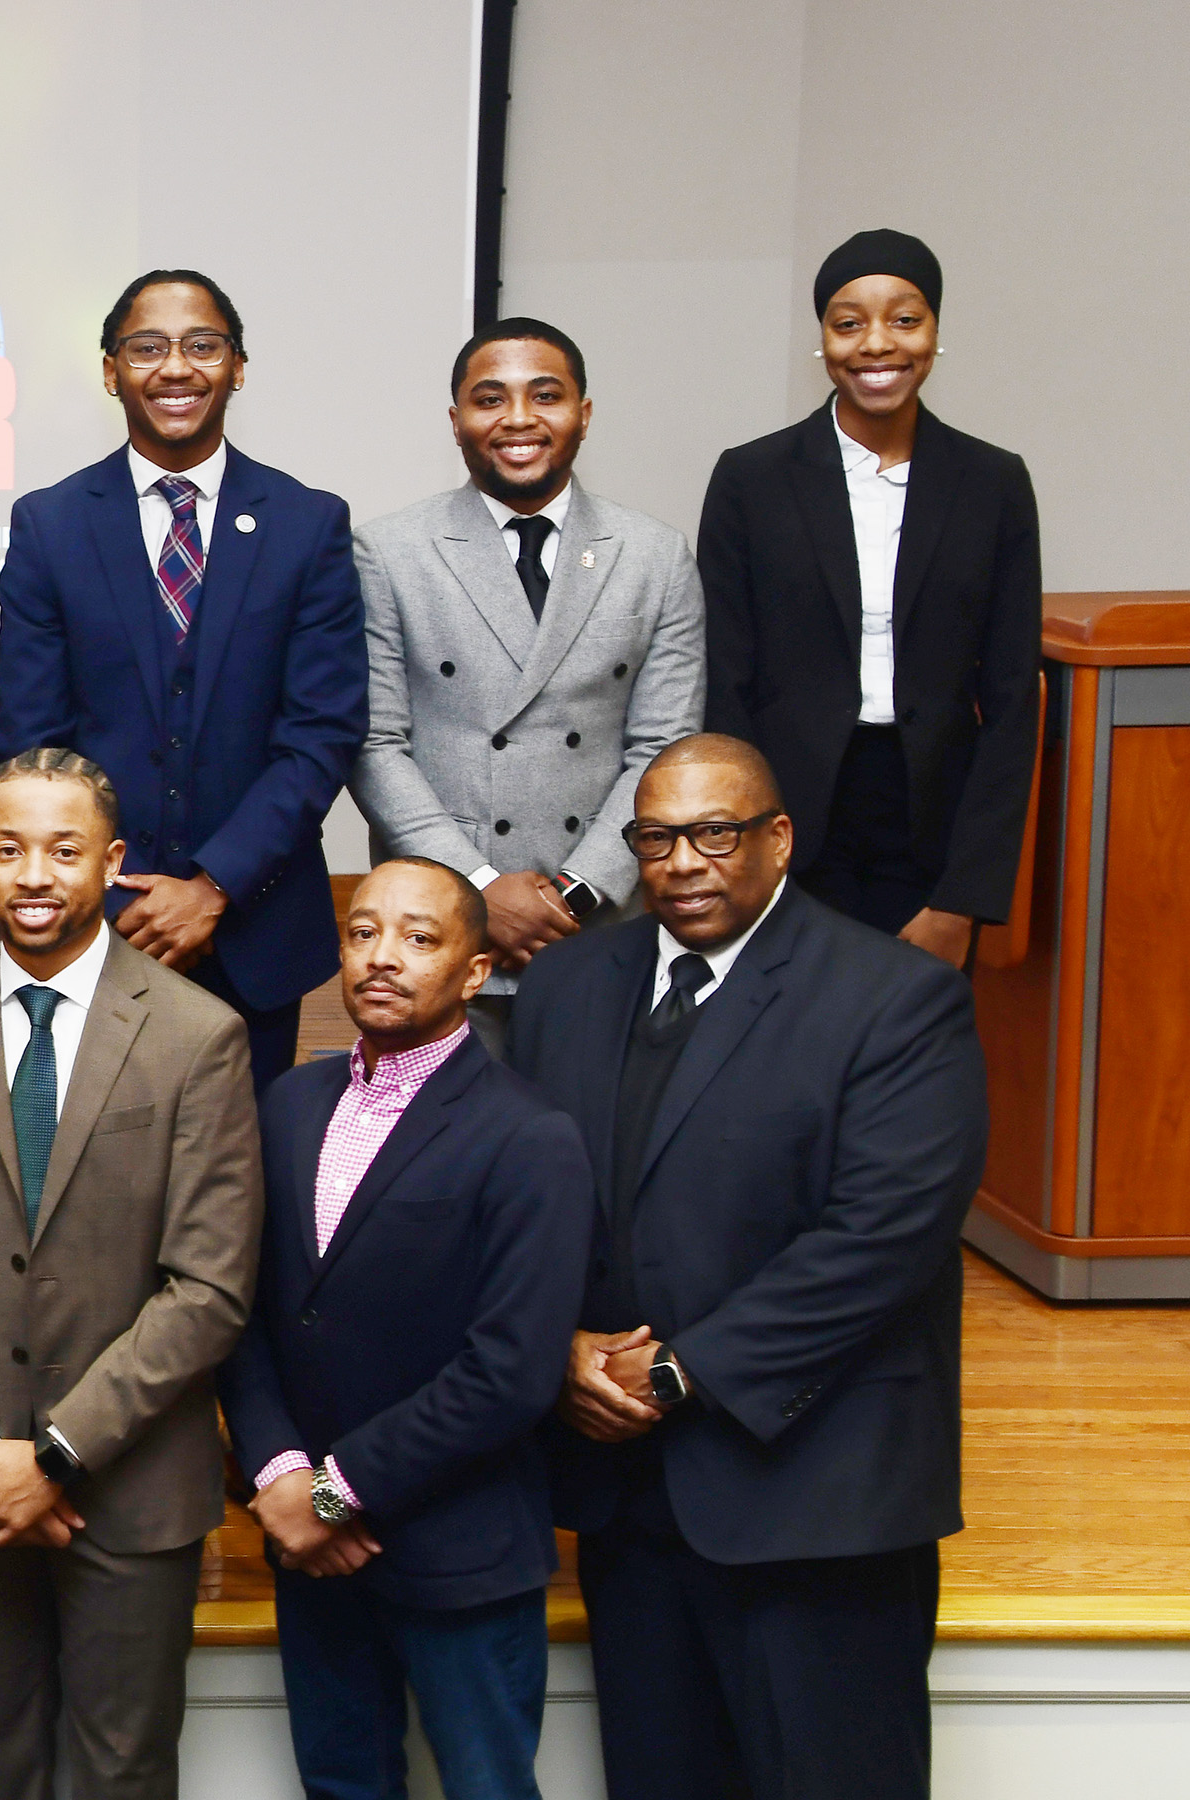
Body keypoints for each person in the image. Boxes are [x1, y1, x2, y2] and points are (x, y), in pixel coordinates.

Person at [511, 735, 985, 1800]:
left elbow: (883, 1237)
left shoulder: (895, 998)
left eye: (714, 834)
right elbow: (527, 1204)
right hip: (630, 1506)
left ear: (776, 841)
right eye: (657, 839)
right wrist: (559, 1350)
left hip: (816, 1499)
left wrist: (685, 1371)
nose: (683, 863)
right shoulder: (569, 986)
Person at [0, 748, 263, 1800]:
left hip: (129, 1485)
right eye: (8, 850)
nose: (35, 875)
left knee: (120, 1775)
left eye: (64, 849)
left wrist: (55, 1453)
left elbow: (209, 1289)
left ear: (113, 862)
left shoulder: (198, 1035)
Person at [222, 857, 592, 1800]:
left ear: (475, 973)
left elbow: (509, 1371)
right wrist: (279, 1477)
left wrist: (336, 1494)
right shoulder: (289, 1104)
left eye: (420, 939)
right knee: (340, 1786)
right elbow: (249, 1313)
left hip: (458, 1555)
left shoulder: (529, 1136)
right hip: (312, 1553)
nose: (383, 958)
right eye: (363, 932)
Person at [0, 270, 366, 1091]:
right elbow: (32, 741)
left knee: (243, 1192)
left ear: (237, 366)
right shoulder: (50, 525)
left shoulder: (308, 525)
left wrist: (214, 885)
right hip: (93, 931)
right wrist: (110, 897)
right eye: (147, 347)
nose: (175, 369)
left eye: (203, 346)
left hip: (254, 933)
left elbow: (321, 734)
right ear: (109, 370)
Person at [347, 319, 705, 1053]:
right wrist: (478, 885)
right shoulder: (389, 550)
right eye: (490, 399)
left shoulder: (655, 554)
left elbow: (664, 750)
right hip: (441, 928)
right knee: (445, 1153)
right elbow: (374, 744)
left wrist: (578, 890)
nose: (518, 420)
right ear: (455, 422)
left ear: (584, 412)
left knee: (596, 1150)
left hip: (599, 923)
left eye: (546, 396)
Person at [699, 229, 1041, 966]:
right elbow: (724, 685)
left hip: (930, 836)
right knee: (782, 1049)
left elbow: (1013, 701)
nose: (877, 344)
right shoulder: (750, 480)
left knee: (912, 1056)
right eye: (848, 323)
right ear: (822, 340)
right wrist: (739, 853)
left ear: (936, 333)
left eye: (905, 319)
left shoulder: (994, 483)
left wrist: (964, 896)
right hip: (785, 826)